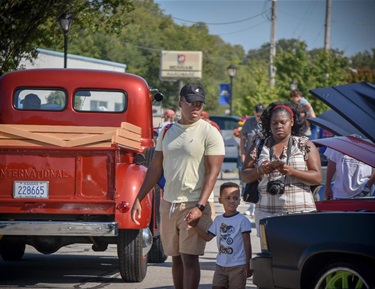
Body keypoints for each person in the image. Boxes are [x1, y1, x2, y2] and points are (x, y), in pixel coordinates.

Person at [131, 82, 225, 289]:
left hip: (194, 204)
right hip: (169, 204)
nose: (196, 108)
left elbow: (213, 173)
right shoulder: (166, 132)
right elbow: (155, 168)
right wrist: (138, 198)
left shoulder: (210, 133)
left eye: (200, 104)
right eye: (192, 103)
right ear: (181, 103)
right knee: (175, 258)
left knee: (189, 258)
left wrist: (200, 207)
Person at [240, 101, 322, 235]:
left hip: (300, 213)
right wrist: (260, 171)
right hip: (266, 213)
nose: (279, 126)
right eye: (274, 123)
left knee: (299, 254)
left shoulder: (304, 144)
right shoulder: (259, 145)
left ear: (292, 121)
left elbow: (317, 177)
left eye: (283, 122)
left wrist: (292, 172)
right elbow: (244, 175)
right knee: (270, 255)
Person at [191, 182, 252, 289]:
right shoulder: (218, 220)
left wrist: (248, 264)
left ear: (239, 200)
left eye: (235, 198)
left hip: (238, 266)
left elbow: (247, 243)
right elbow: (208, 237)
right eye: (227, 198)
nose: (231, 200)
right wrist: (194, 225)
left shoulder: (243, 220)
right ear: (220, 200)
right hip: (221, 265)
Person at [239, 103, 265, 217]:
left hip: (262, 155)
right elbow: (243, 138)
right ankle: (251, 205)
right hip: (250, 156)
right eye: (258, 115)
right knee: (249, 181)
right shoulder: (249, 123)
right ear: (254, 113)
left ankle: (260, 205)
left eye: (261, 115)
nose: (259, 117)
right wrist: (242, 153)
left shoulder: (267, 122)